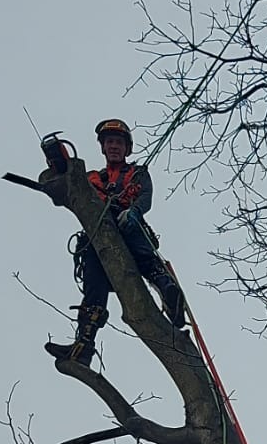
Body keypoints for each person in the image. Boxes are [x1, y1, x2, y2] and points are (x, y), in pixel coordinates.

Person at [44, 118, 188, 367]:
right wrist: (58, 160)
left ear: (127, 148)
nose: (114, 146)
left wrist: (133, 212)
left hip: (128, 226)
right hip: (98, 237)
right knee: (93, 286)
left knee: (145, 256)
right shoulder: (91, 178)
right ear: (102, 146)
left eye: (118, 143)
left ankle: (169, 293)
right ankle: (84, 345)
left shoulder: (137, 173)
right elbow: (67, 183)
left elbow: (145, 198)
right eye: (109, 142)